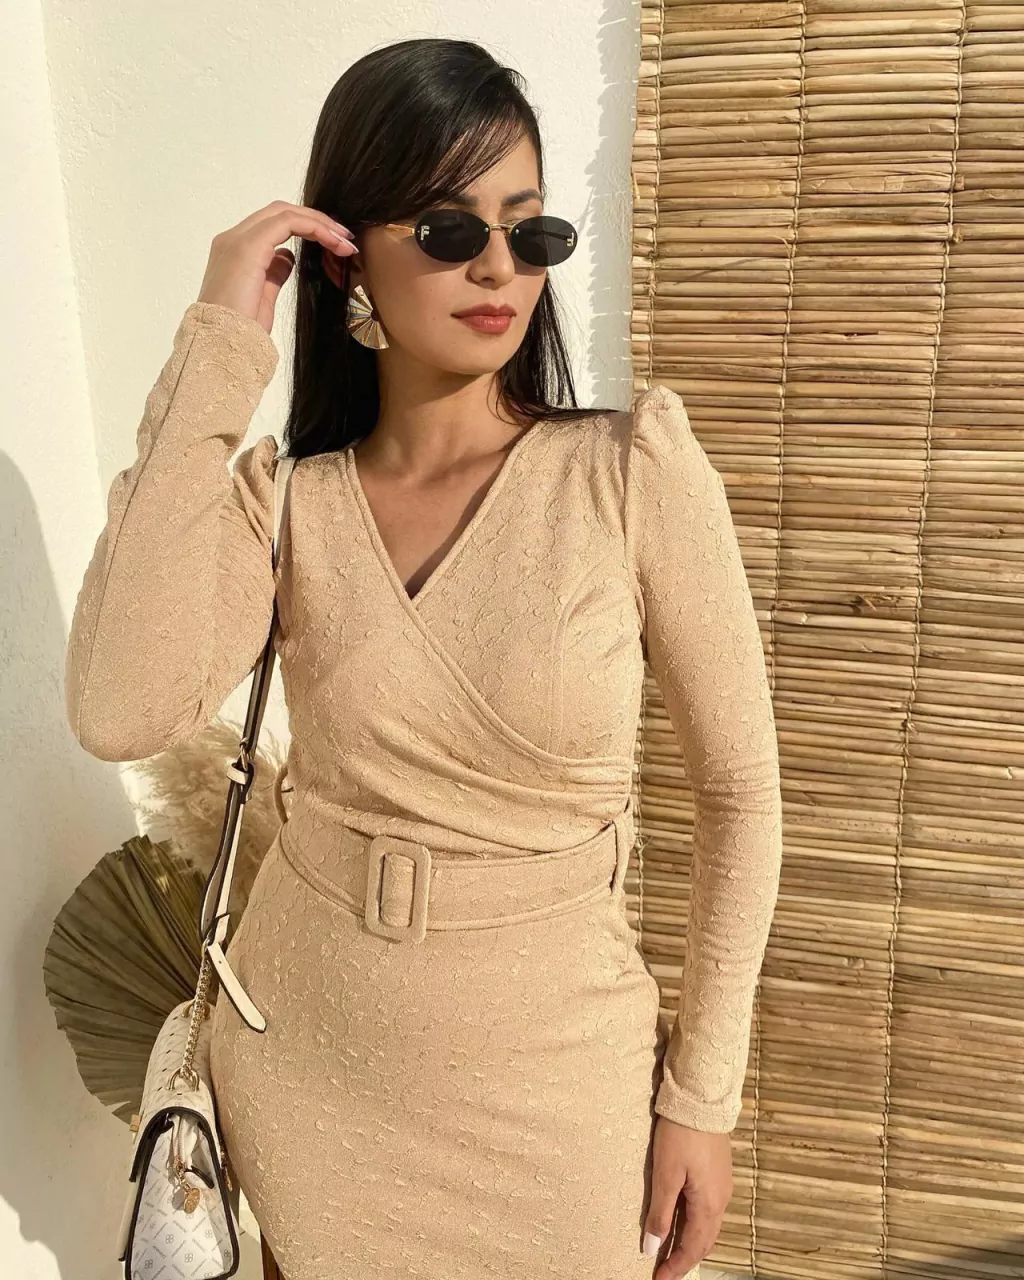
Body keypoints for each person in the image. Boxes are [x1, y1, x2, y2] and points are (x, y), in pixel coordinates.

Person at [63, 36, 782, 1280]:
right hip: (304, 1074)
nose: (498, 265)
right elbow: (118, 707)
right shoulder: (285, 503)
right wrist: (221, 339)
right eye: (450, 229)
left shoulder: (628, 473)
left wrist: (701, 1095)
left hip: (560, 1099)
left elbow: (741, 794)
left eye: (528, 229)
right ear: (347, 255)